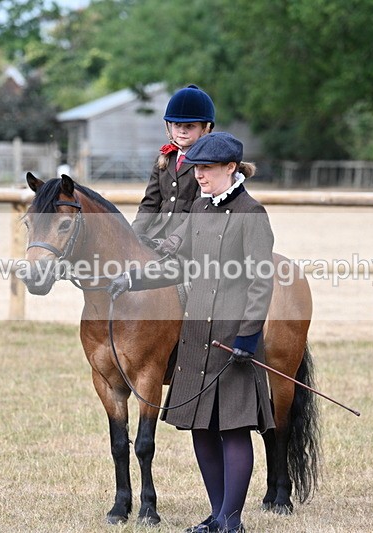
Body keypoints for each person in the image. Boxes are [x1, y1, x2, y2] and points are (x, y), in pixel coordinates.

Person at [109, 132, 275, 533]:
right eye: (197, 168)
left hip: (232, 336)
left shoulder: (252, 213)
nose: (199, 175)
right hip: (197, 332)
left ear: (231, 168)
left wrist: (248, 337)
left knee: (233, 429)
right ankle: (217, 516)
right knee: (201, 429)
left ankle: (231, 521)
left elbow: (261, 281)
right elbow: (178, 265)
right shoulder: (199, 208)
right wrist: (134, 280)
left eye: (208, 168)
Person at [131, 84, 215, 246]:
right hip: (156, 232)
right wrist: (133, 234)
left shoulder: (208, 164)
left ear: (205, 128)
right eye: (177, 125)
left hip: (188, 238)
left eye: (190, 126)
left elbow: (200, 210)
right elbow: (150, 203)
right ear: (169, 126)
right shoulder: (164, 159)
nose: (182, 131)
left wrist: (174, 240)